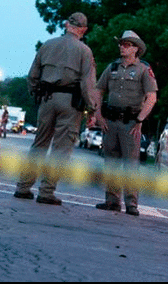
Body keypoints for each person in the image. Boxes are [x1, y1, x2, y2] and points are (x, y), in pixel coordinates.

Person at [13, 12, 99, 206]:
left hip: (47, 99)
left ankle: (23, 187)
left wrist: (37, 94)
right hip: (70, 102)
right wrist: (92, 109)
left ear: (66, 24)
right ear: (83, 30)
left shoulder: (48, 45)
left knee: (39, 143)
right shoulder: (84, 51)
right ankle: (46, 191)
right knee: (61, 148)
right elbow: (87, 84)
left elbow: (32, 76)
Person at [92, 30, 157, 216]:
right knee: (110, 162)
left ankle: (131, 204)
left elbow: (151, 97)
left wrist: (140, 119)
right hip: (110, 121)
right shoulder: (112, 67)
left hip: (131, 123)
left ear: (136, 48)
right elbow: (98, 90)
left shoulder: (144, 69)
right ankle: (112, 201)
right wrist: (98, 115)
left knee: (131, 164)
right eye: (121, 44)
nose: (122, 47)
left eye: (126, 44)